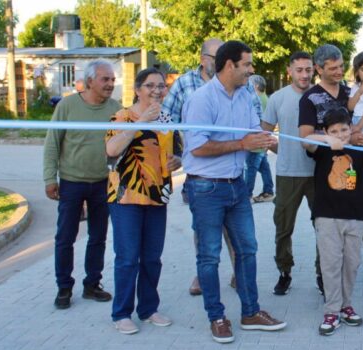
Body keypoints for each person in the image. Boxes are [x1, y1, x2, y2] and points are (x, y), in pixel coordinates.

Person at [182, 40, 287, 344]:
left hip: (237, 186)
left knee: (247, 249)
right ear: (230, 65)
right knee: (209, 256)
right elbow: (197, 147)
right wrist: (243, 144)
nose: (252, 70)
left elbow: (256, 134)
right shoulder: (201, 100)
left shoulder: (246, 95)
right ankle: (216, 317)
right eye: (247, 64)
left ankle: (250, 313)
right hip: (205, 187)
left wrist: (280, 146)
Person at [299, 44, 363, 311]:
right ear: (319, 69)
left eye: (341, 66)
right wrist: (337, 139)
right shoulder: (310, 98)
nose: (340, 71)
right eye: (333, 68)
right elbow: (304, 139)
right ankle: (329, 289)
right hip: (330, 179)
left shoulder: (354, 89)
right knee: (329, 236)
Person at [303, 108, 363, 336]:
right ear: (326, 131)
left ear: (351, 128)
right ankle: (331, 311)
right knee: (331, 264)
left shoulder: (358, 150)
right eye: (334, 131)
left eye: (344, 130)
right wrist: (327, 140)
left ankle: (345, 306)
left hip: (356, 217)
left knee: (351, 264)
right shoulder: (322, 149)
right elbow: (306, 141)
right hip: (327, 217)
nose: (340, 135)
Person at [105, 68, 182, 334]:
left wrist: (177, 161)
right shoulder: (122, 116)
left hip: (157, 197)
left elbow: (177, 152)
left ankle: (148, 309)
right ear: (137, 90)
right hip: (126, 196)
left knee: (152, 258)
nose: (157, 91)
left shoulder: (167, 119)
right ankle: (121, 313)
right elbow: (111, 150)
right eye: (150, 86)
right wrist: (141, 122)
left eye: (161, 86)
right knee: (128, 257)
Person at [44, 59, 121, 309]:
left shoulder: (116, 110)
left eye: (112, 79)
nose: (110, 84)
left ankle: (92, 284)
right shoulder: (67, 106)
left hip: (103, 183)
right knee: (65, 237)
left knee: (98, 237)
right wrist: (49, 178)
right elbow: (52, 143)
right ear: (89, 81)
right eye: (105, 79)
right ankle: (64, 287)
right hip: (71, 183)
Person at [160, 38, 234, 297]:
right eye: (216, 57)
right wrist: (175, 155)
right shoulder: (184, 84)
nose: (223, 62)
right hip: (200, 174)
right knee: (204, 228)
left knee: (235, 226)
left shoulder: (237, 82)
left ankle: (239, 272)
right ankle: (203, 274)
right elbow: (165, 121)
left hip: (232, 170)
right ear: (203, 60)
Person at [263, 51, 319, 295]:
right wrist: (280, 149)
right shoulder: (278, 98)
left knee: (323, 227)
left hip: (318, 174)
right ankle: (284, 272)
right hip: (287, 173)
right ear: (290, 71)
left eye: (308, 70)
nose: (304, 75)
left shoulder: (321, 96)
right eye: (299, 70)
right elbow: (264, 132)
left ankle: (322, 274)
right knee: (283, 228)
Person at [246, 74, 275, 203]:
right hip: (262, 140)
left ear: (256, 86)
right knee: (264, 167)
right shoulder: (265, 99)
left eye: (250, 84)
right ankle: (268, 191)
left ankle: (247, 195)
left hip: (257, 140)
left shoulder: (258, 99)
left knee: (251, 168)